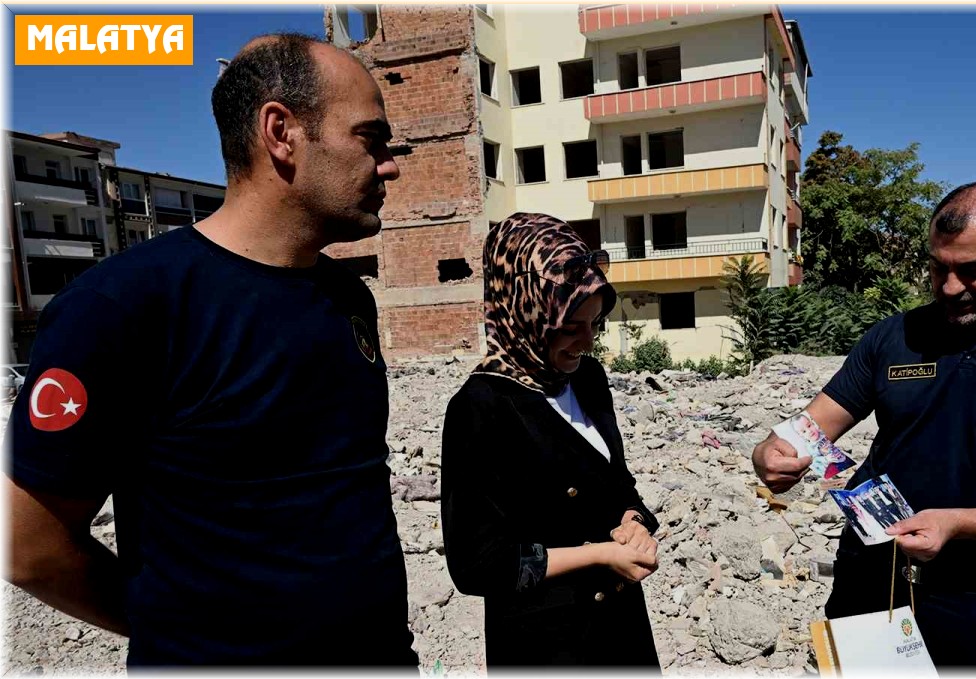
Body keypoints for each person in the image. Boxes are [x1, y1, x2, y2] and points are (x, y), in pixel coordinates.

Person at [4, 33, 420, 667]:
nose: (389, 165)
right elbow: (28, 547)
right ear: (281, 132)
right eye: (371, 139)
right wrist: (180, 635)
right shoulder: (122, 307)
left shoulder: (345, 297)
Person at [751, 182, 976, 670]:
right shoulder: (895, 336)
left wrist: (957, 523)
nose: (950, 287)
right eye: (937, 267)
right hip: (869, 583)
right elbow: (813, 425)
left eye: (972, 271)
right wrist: (772, 451)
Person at [440, 213, 662, 670]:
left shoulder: (588, 380)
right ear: (523, 311)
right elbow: (478, 565)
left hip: (620, 632)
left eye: (595, 323)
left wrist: (633, 520)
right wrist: (600, 554)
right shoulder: (483, 407)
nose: (587, 342)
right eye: (569, 327)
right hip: (547, 643)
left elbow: (617, 483)